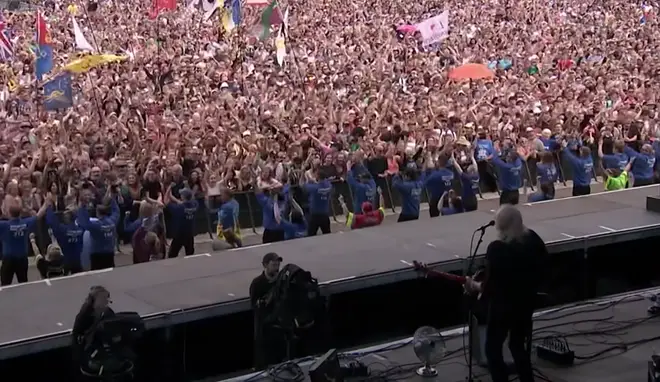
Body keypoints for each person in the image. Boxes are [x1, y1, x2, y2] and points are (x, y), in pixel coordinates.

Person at [463, 205, 548, 382]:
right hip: (526, 304)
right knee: (517, 345)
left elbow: (489, 287)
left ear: (501, 227)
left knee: (492, 349)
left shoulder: (497, 249)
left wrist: (474, 285)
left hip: (503, 307)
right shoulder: (534, 240)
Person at [0, 202, 49, 285]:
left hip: (8, 259)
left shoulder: (4, 225)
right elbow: (38, 216)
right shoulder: (25, 223)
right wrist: (46, 204)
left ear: (9, 213)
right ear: (20, 213)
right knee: (23, 283)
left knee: (5, 284)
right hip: (22, 258)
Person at [249, 252, 284, 369]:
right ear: (265, 265)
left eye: (278, 265)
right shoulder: (257, 283)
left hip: (279, 322)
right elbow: (254, 304)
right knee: (263, 351)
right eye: (274, 265)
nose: (277, 267)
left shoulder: (281, 280)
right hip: (264, 324)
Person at [76, 198, 120, 270]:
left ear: (97, 213)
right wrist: (112, 199)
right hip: (110, 254)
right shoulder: (113, 222)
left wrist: (82, 207)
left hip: (97, 256)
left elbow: (83, 222)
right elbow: (116, 212)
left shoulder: (96, 225)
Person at [45, 205, 84, 274]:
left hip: (66, 261)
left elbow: (52, 222)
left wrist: (48, 208)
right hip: (78, 260)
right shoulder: (80, 229)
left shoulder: (63, 229)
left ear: (67, 218)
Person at [166, 188, 199, 258]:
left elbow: (166, 202)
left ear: (183, 197)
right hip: (190, 233)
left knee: (172, 254)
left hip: (179, 234)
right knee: (190, 254)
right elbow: (186, 202)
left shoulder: (179, 208)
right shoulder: (195, 205)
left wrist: (168, 190)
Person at [303, 170, 332, 236]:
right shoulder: (329, 186)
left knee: (311, 235)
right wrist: (315, 181)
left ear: (318, 177)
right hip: (325, 214)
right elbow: (326, 182)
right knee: (327, 234)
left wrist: (308, 179)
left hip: (315, 215)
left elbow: (304, 186)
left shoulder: (314, 188)